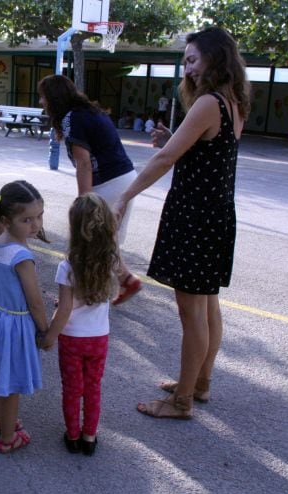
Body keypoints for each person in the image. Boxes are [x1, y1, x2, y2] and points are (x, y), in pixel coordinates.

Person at [114, 27, 250, 419]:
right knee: (207, 306)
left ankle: (182, 401)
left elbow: (163, 161)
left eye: (192, 60)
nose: (187, 68)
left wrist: (125, 196)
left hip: (195, 218)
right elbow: (207, 151)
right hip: (215, 215)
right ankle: (199, 383)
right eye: (185, 61)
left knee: (192, 313)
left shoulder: (208, 102)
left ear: (214, 58)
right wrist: (175, 137)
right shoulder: (231, 101)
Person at [37, 74, 142, 305]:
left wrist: (83, 202)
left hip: (109, 182)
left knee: (83, 238)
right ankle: (127, 279)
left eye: (43, 97)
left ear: (54, 98)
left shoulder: (72, 118)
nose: (41, 102)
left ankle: (75, 295)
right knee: (106, 240)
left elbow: (83, 163)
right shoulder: (88, 112)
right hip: (126, 179)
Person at [0, 180, 53, 454]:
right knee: (12, 383)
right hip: (14, 324)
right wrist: (45, 329)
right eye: (27, 219)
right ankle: (7, 436)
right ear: (6, 220)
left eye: (39, 216)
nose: (35, 225)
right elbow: (35, 301)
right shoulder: (22, 255)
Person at [42, 194, 120, 456]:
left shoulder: (68, 266)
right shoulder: (110, 261)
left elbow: (65, 309)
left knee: (73, 388)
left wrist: (49, 336)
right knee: (93, 387)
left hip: (72, 338)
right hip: (99, 337)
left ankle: (72, 435)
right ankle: (90, 436)